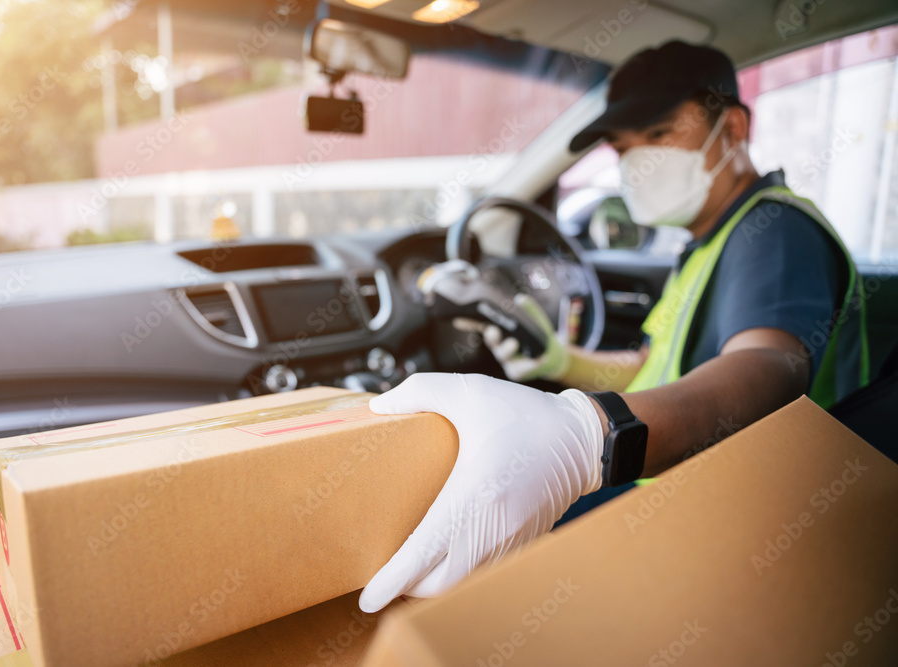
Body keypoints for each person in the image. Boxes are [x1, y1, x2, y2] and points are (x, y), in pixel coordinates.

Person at [358, 40, 868, 614]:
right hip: (681, 488)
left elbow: (771, 367)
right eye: (622, 148)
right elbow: (654, 366)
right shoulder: (707, 243)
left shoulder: (774, 231)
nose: (637, 163)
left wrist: (591, 435)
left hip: (751, 522)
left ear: (731, 129)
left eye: (658, 135)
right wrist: (559, 362)